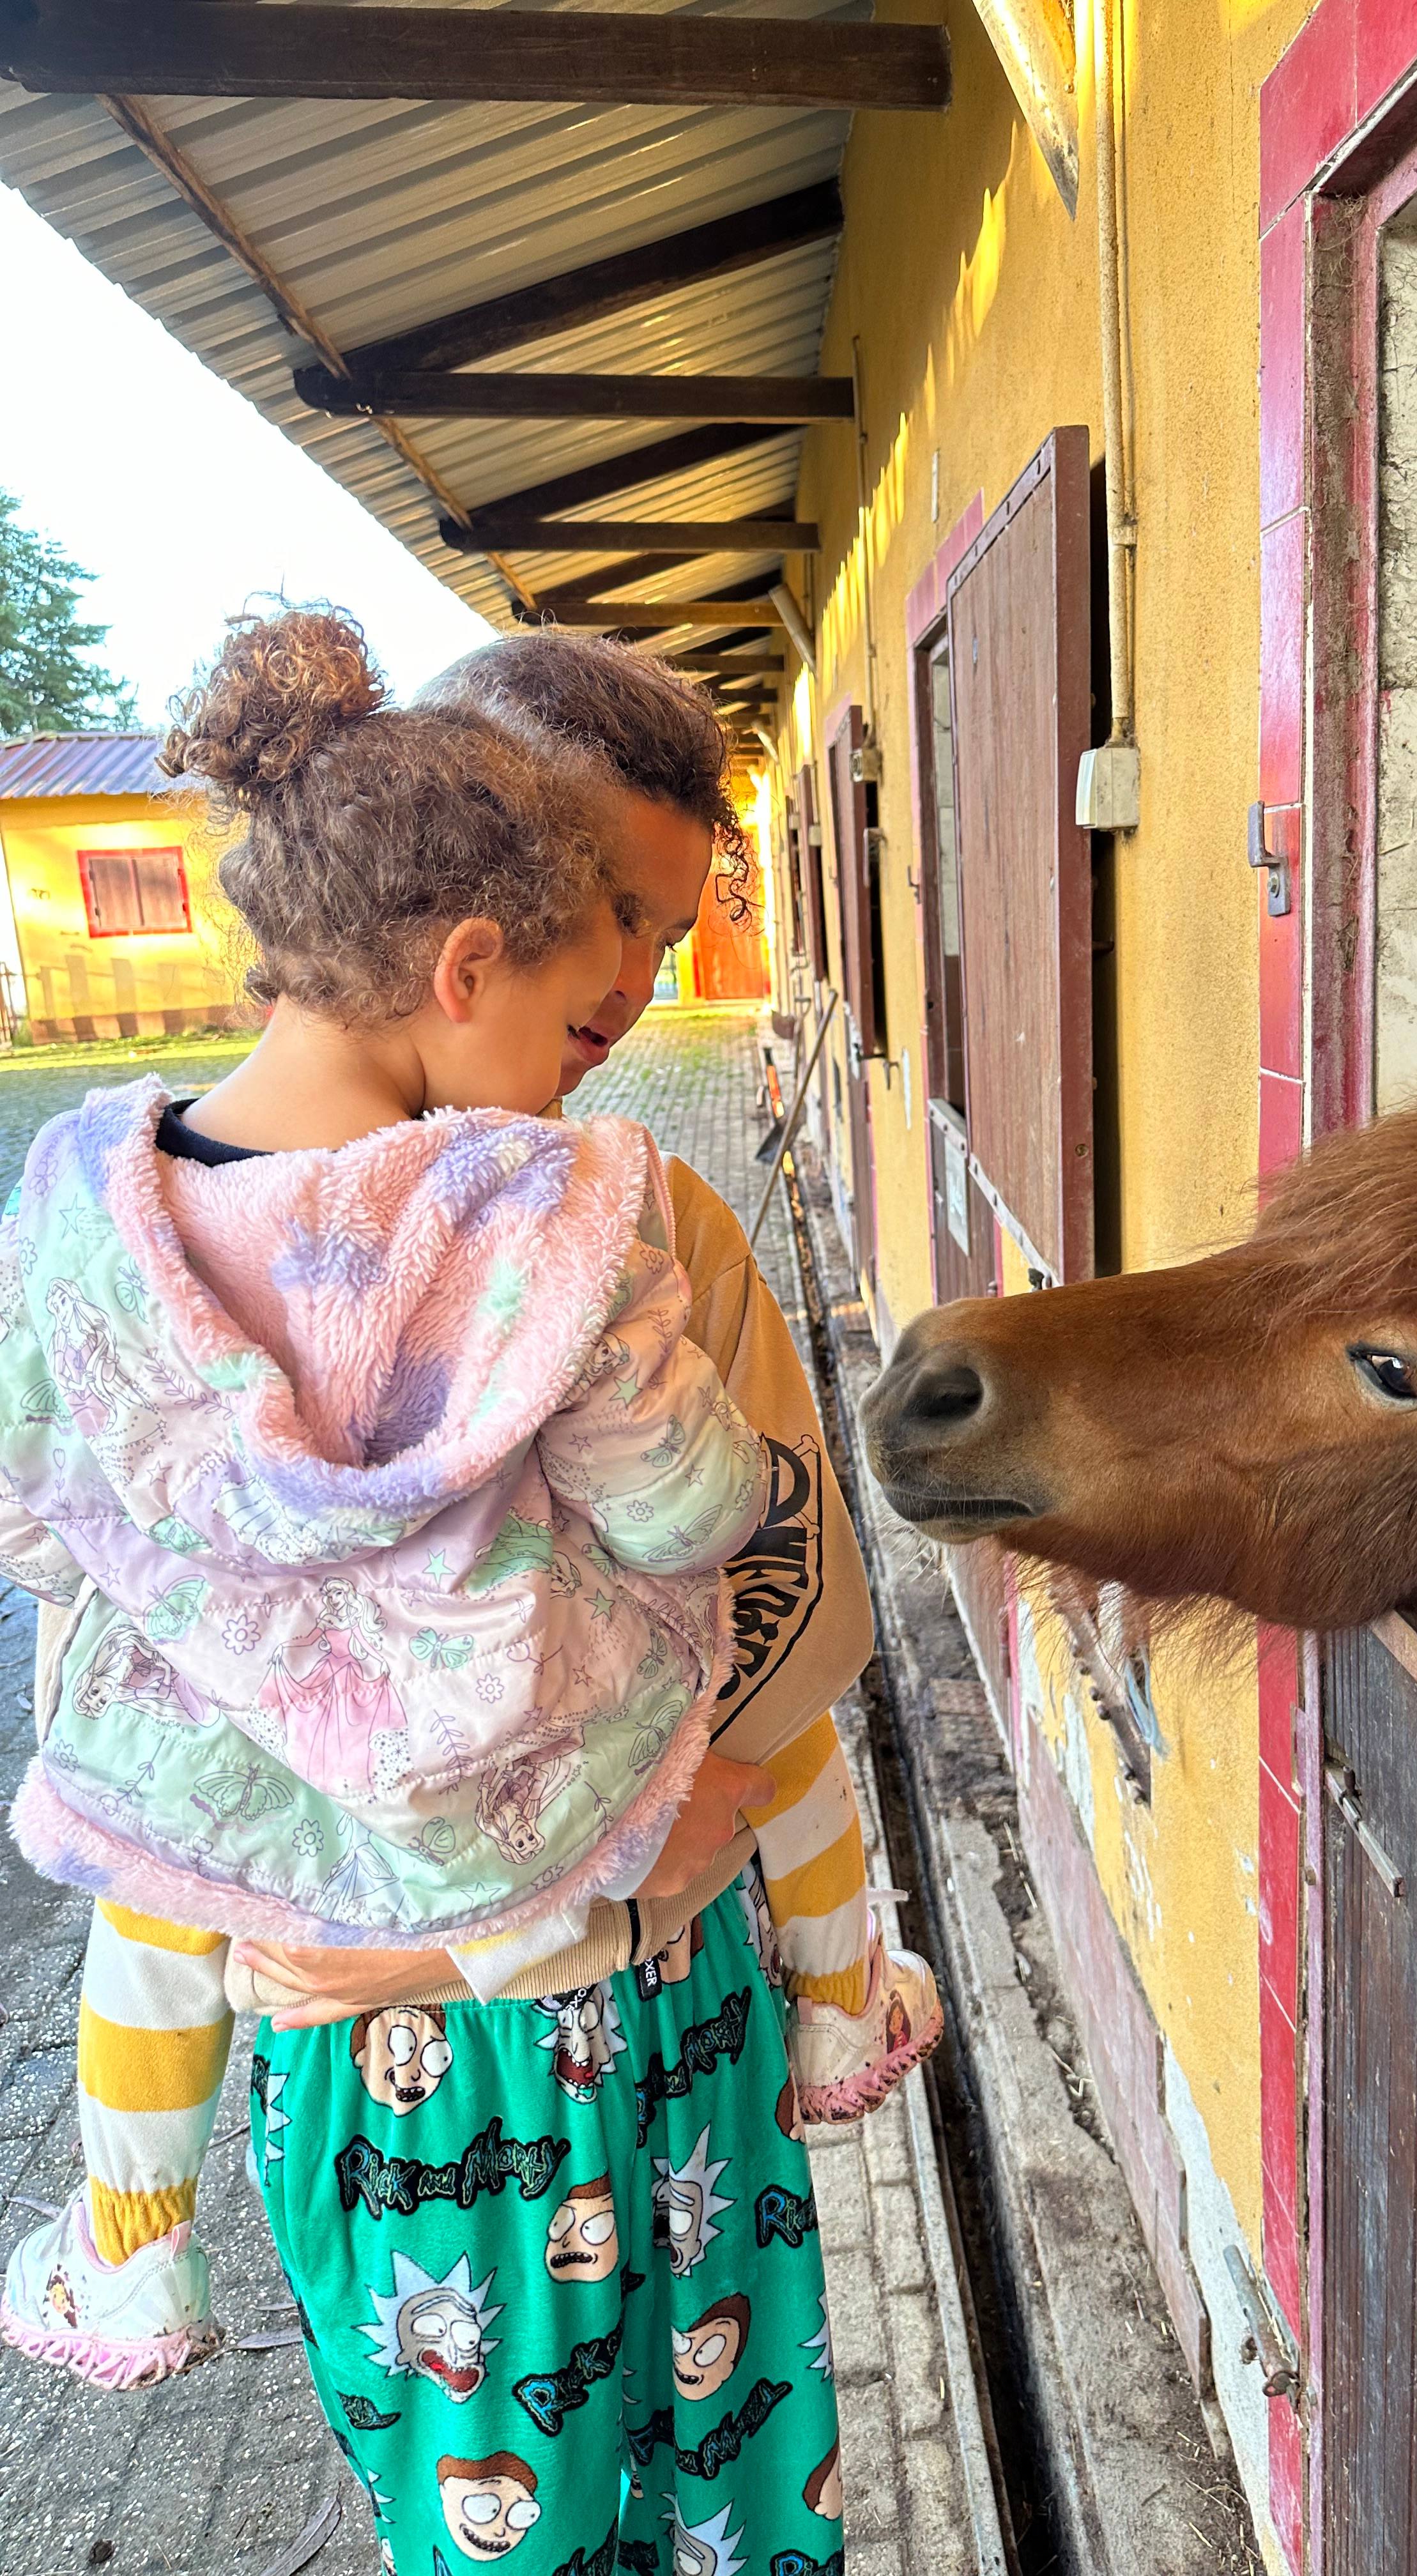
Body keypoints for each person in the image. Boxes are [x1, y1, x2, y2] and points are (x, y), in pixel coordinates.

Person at [0, 610, 905, 2568]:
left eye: (666, 935)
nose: (638, 996)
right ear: (462, 926)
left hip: (549, 2011)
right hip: (484, 2090)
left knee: (602, 2509)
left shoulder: (150, 1223)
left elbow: (767, 1699)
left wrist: (445, 1937)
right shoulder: (552, 1236)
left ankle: (125, 2247)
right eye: (607, 927)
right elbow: (151, 1739)